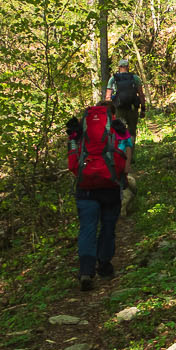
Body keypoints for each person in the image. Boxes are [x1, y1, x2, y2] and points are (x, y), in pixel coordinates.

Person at [66, 99, 132, 292]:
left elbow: (72, 158)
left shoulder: (80, 131)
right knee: (108, 226)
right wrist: (123, 175)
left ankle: (86, 271)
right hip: (110, 186)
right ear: (111, 114)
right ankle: (104, 265)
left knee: (87, 228)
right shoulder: (118, 129)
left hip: (85, 187)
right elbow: (126, 150)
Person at [106, 60, 146, 142]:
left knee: (119, 130)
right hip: (132, 108)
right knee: (132, 132)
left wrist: (110, 112)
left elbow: (108, 97)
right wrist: (143, 109)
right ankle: (130, 152)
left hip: (119, 108)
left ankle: (121, 151)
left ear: (119, 67)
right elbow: (141, 94)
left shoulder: (113, 79)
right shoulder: (135, 78)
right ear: (128, 67)